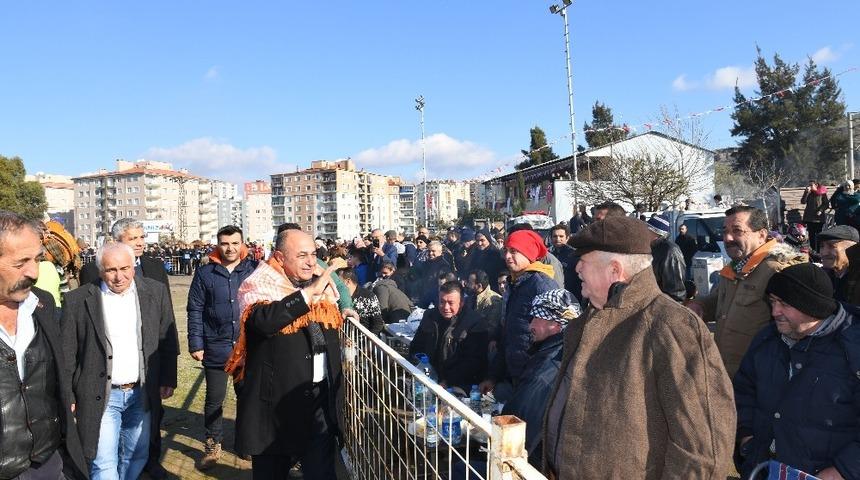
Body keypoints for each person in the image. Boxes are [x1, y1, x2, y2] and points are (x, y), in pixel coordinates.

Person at [543, 216, 735, 479]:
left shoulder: (671, 326)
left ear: (614, 270)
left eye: (583, 262)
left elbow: (702, 450)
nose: (576, 269)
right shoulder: (587, 321)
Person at [226, 229, 345, 480]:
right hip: (275, 407)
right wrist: (305, 296)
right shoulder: (259, 284)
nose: (311, 261)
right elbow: (262, 322)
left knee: (322, 472)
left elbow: (332, 315)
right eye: (302, 255)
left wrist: (346, 310)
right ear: (280, 258)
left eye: (313, 254)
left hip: (318, 399)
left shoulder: (321, 285)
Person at [63, 242, 179, 479]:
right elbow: (67, 353)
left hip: (142, 393)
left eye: (125, 268)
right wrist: (69, 395)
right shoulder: (78, 300)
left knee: (136, 455)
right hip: (100, 396)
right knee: (104, 463)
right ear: (100, 270)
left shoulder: (155, 292)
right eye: (111, 270)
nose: (119, 277)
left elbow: (166, 338)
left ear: (134, 267)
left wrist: (168, 377)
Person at [734, 263, 860, 480]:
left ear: (812, 305)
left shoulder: (853, 348)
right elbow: (743, 391)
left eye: (784, 303)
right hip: (763, 469)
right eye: (772, 302)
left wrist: (844, 471)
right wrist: (746, 436)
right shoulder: (767, 339)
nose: (774, 312)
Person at [0, 211, 86, 480]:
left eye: (37, 258)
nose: (34, 272)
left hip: (50, 464)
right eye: (20, 263)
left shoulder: (42, 305)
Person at [688, 206, 806, 377]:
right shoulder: (735, 268)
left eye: (737, 231)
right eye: (725, 231)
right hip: (729, 374)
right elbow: (719, 299)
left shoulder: (778, 270)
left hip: (761, 377)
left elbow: (797, 329)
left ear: (761, 235)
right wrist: (699, 305)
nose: (728, 238)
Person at [186, 225, 258, 470]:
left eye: (235, 243)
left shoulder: (254, 269)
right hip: (215, 346)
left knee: (247, 398)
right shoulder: (205, 273)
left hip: (247, 347)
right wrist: (196, 343)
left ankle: (246, 443)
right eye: (225, 243)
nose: (230, 248)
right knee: (214, 400)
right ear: (218, 244)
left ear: (242, 243)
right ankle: (212, 443)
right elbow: (195, 308)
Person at [502, 289, 579, 468]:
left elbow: (517, 421)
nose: (530, 326)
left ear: (557, 325)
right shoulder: (566, 351)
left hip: (534, 464)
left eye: (536, 317)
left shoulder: (546, 368)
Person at [482, 230, 556, 394]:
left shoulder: (542, 286)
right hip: (515, 373)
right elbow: (509, 334)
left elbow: (554, 339)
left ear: (529, 253)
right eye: (506, 251)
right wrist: (493, 376)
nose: (507, 256)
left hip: (536, 379)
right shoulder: (514, 284)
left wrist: (537, 375)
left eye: (514, 251)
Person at [408, 281, 488, 392]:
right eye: (442, 302)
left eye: (451, 303)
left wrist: (447, 381)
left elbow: (473, 362)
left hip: (461, 384)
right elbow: (416, 347)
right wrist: (421, 366)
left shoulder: (475, 322)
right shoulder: (430, 316)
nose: (445, 307)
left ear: (461, 303)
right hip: (429, 377)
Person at [645, 215, 687, 302]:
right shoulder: (652, 249)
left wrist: (669, 311)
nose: (644, 233)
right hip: (653, 304)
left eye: (647, 230)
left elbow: (676, 291)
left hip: (665, 307)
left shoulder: (670, 251)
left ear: (656, 233)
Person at [818, 225, 860, 304]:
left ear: (852, 249)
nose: (823, 253)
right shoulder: (821, 277)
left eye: (832, 246)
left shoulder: (856, 282)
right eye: (821, 246)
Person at [337, 268, 384, 335]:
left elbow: (378, 323)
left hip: (363, 342)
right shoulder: (337, 297)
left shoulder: (368, 296)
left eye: (339, 281)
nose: (336, 284)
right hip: (342, 340)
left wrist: (368, 341)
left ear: (348, 281)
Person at [466, 269, 503, 352]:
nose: (467, 285)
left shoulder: (494, 301)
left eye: (470, 282)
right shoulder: (471, 298)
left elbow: (492, 328)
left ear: (479, 286)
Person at [468, 229, 505, 293]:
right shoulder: (475, 253)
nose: (479, 243)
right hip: (477, 288)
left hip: (493, 289)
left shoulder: (496, 254)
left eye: (482, 240)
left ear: (488, 240)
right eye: (477, 241)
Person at [548, 224, 581, 298]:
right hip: (553, 294)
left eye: (561, 236)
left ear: (567, 238)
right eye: (555, 236)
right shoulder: (548, 255)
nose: (558, 239)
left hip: (572, 295)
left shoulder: (575, 255)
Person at [801, 180, 830, 251]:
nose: (809, 187)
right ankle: (813, 250)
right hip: (809, 218)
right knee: (811, 235)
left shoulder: (822, 193)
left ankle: (819, 250)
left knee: (819, 235)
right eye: (809, 185)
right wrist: (806, 192)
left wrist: (820, 210)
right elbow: (803, 202)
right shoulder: (809, 193)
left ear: (816, 185)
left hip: (818, 219)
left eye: (811, 185)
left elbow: (826, 204)